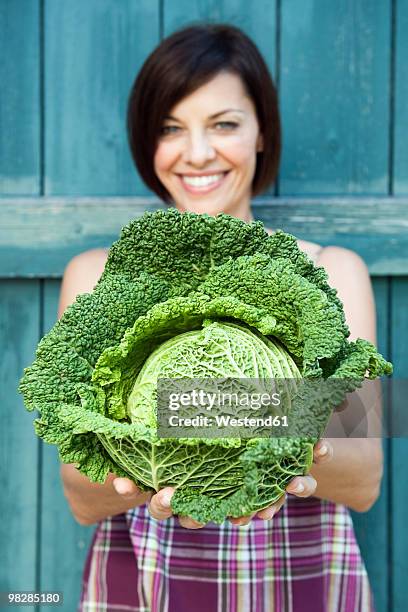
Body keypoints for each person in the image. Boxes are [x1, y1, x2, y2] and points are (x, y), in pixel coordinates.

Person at [59, 23, 382, 612]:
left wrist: (199, 414)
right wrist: (275, 412)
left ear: (263, 133)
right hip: (143, 582)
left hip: (301, 578)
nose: (198, 153)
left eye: (224, 124)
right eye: (169, 128)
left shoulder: (333, 273)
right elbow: (80, 495)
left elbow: (365, 480)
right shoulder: (97, 277)